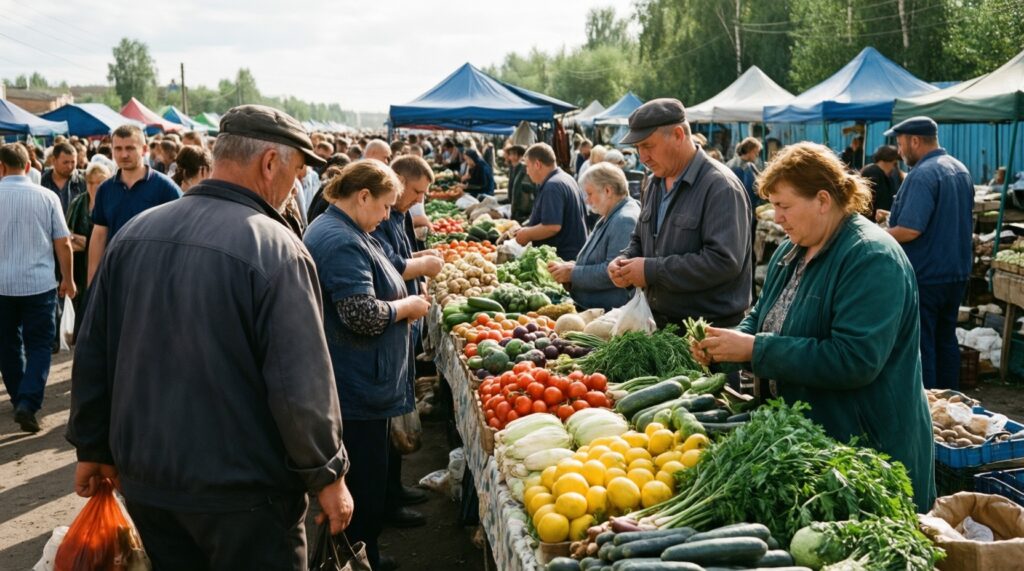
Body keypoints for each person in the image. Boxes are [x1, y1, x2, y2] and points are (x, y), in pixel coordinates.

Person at [67, 105, 353, 569]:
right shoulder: (276, 248)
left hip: (149, 483)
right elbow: (300, 384)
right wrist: (328, 475)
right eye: (297, 172)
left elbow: (94, 351)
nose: (297, 187)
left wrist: (92, 446)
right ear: (268, 164)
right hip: (244, 498)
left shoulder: (136, 233)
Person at [694, 142, 935, 512]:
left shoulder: (871, 257)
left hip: (867, 451)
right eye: (773, 206)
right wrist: (724, 346)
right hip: (813, 445)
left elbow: (855, 358)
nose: (777, 218)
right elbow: (762, 316)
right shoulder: (791, 250)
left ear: (823, 199)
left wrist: (755, 350)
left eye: (784, 206)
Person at [304, 160, 431, 570]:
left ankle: (365, 554)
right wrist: (404, 306)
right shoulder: (339, 239)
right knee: (362, 483)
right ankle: (358, 559)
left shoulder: (348, 229)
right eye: (384, 207)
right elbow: (359, 314)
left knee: (368, 482)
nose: (386, 217)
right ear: (362, 196)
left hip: (362, 381)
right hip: (355, 386)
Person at [608, 98, 752, 327]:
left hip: (708, 334)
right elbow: (640, 239)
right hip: (660, 327)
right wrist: (624, 261)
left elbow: (724, 262)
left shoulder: (720, 186)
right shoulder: (654, 183)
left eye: (648, 146)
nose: (642, 157)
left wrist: (650, 270)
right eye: (638, 148)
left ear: (678, 135)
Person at [371, 156, 442, 532]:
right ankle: (386, 503)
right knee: (387, 425)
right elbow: (390, 267)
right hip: (390, 329)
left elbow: (400, 259)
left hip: (405, 326)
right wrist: (421, 268)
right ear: (398, 181)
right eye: (415, 192)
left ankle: (394, 491)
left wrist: (421, 260)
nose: (418, 201)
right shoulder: (381, 217)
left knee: (399, 410)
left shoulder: (397, 214)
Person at [885, 116, 974, 391]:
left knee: (924, 343)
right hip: (955, 272)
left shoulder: (923, 174)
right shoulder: (959, 169)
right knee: (946, 338)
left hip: (927, 274)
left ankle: (929, 409)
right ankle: (951, 399)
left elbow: (911, 230)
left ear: (915, 141)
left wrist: (876, 235)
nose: (899, 152)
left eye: (900, 145)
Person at [0, 143, 76, 433]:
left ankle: (21, 397)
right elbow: (63, 241)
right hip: (39, 284)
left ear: (1, 167)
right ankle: (28, 401)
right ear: (29, 166)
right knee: (40, 345)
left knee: (7, 344)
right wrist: (68, 278)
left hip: (2, 285)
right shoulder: (46, 196)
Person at [86, 124, 181, 285]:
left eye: (130, 148)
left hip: (154, 278)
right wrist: (93, 280)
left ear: (144, 149)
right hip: (115, 276)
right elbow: (99, 235)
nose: (123, 154)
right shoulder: (105, 189)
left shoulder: (166, 187)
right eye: (118, 149)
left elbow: (179, 236)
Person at [548, 163, 640, 310]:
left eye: (589, 194)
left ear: (608, 190)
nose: (587, 200)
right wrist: (573, 268)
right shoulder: (612, 212)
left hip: (608, 313)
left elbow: (614, 272)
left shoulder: (624, 220)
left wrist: (573, 273)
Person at [515, 143, 589, 261]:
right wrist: (524, 228)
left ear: (537, 164)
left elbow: (552, 226)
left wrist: (527, 234)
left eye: (527, 166)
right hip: (572, 256)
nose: (527, 172)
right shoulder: (566, 178)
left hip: (563, 258)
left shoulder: (552, 186)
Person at [66, 162, 111, 341]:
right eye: (90, 182)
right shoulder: (78, 202)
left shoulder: (110, 202)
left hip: (103, 260)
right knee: (81, 299)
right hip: (78, 264)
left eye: (99, 182)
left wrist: (84, 241)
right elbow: (67, 234)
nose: (94, 186)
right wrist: (82, 241)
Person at [40, 142, 86, 214]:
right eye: (65, 162)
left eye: (73, 162)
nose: (70, 166)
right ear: (54, 160)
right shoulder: (42, 182)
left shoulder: (84, 181)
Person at [860, 145, 902, 220]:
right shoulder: (872, 172)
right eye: (894, 164)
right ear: (886, 160)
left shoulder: (887, 177)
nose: (894, 168)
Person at [727, 137, 763, 210]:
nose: (757, 155)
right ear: (749, 150)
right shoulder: (738, 167)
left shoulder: (731, 163)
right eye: (756, 152)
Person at [506, 145, 536, 222]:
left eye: (513, 153)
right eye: (510, 153)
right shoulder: (512, 168)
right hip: (514, 206)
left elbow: (528, 188)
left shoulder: (523, 169)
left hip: (522, 209)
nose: (511, 156)